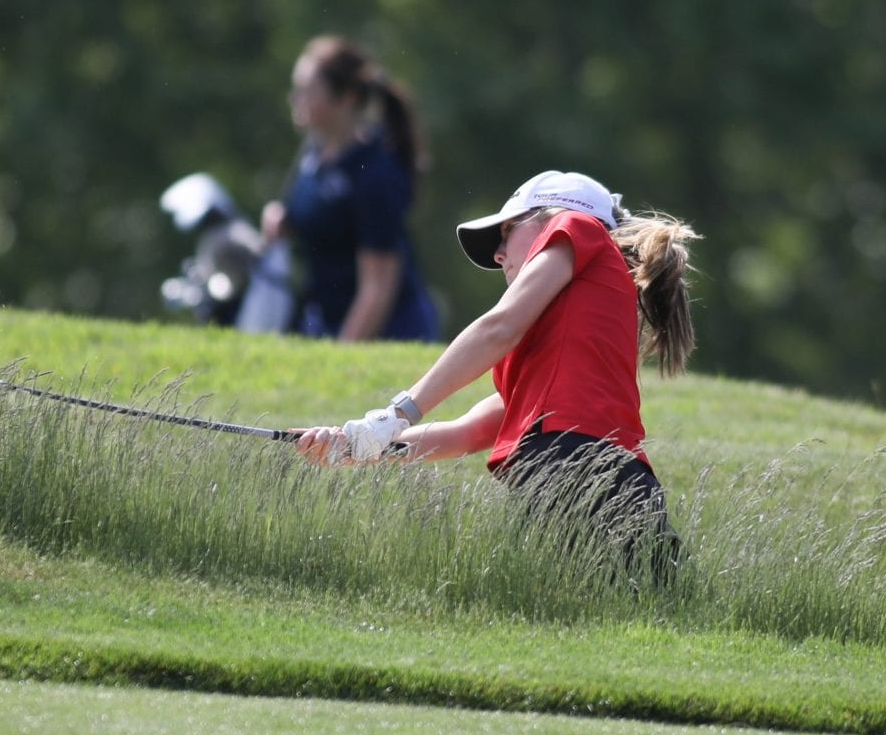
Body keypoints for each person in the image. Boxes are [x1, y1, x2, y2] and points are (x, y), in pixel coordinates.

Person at [293, 170, 698, 571]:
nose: (499, 254)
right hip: (597, 472)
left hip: (570, 464)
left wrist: (396, 415)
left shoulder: (577, 225)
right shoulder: (564, 342)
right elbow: (465, 433)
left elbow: (497, 328)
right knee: (654, 611)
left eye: (506, 232)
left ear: (550, 216)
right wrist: (355, 446)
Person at [259, 36, 440, 342]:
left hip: (387, 334)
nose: (295, 98)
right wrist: (285, 221)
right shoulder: (312, 155)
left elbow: (378, 288)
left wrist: (340, 358)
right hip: (326, 321)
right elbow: (323, 219)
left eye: (307, 91)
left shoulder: (375, 173)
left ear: (347, 98)